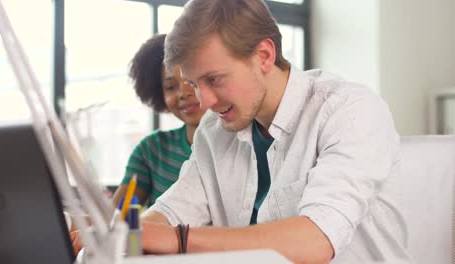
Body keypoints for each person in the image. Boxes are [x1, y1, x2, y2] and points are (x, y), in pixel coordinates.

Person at [136, 0, 412, 263]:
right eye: (194, 84)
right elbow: (170, 212)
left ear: (264, 56)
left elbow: (315, 242)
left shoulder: (351, 110)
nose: (203, 100)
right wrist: (121, 236)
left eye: (214, 79)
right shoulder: (214, 130)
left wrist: (179, 239)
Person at [111, 34, 207, 208]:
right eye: (170, 86)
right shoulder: (152, 150)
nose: (183, 93)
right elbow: (119, 215)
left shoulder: (243, 147)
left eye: (192, 82)